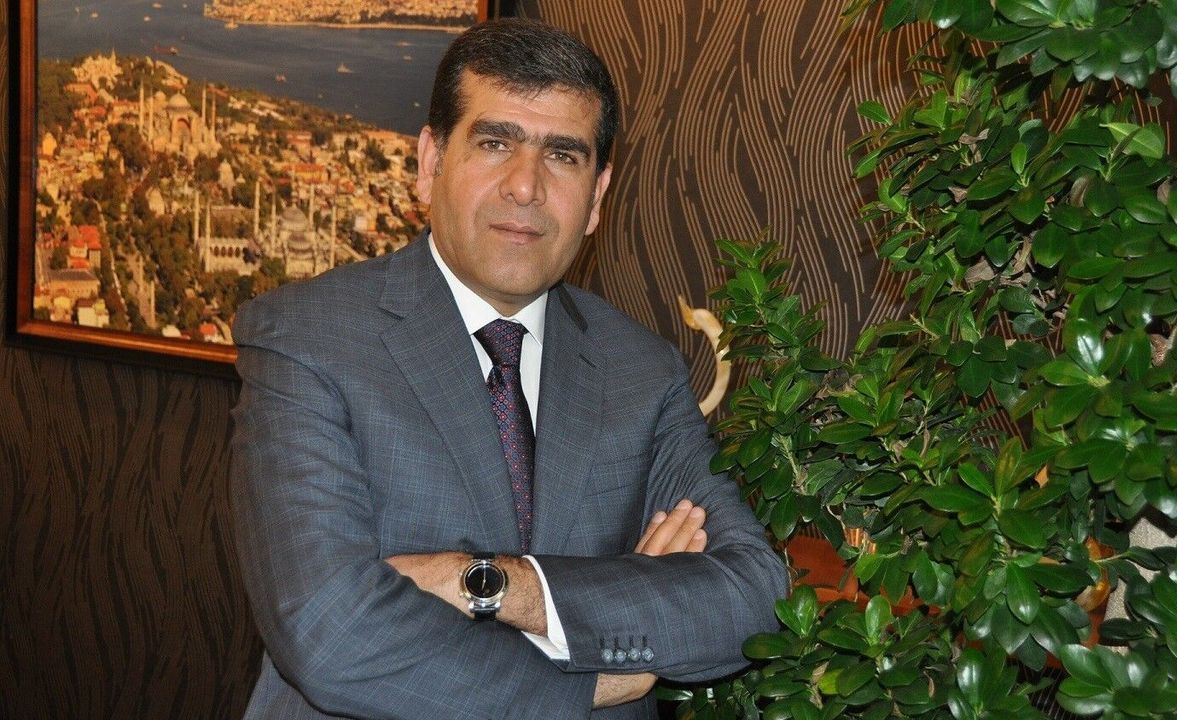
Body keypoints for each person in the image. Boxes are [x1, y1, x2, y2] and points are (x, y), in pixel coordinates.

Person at [230, 18, 788, 719]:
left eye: (563, 156)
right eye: (495, 143)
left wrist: (495, 586)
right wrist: (600, 666)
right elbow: (332, 635)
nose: (526, 187)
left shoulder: (642, 371)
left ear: (597, 195)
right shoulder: (308, 340)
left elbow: (752, 596)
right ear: (430, 163)